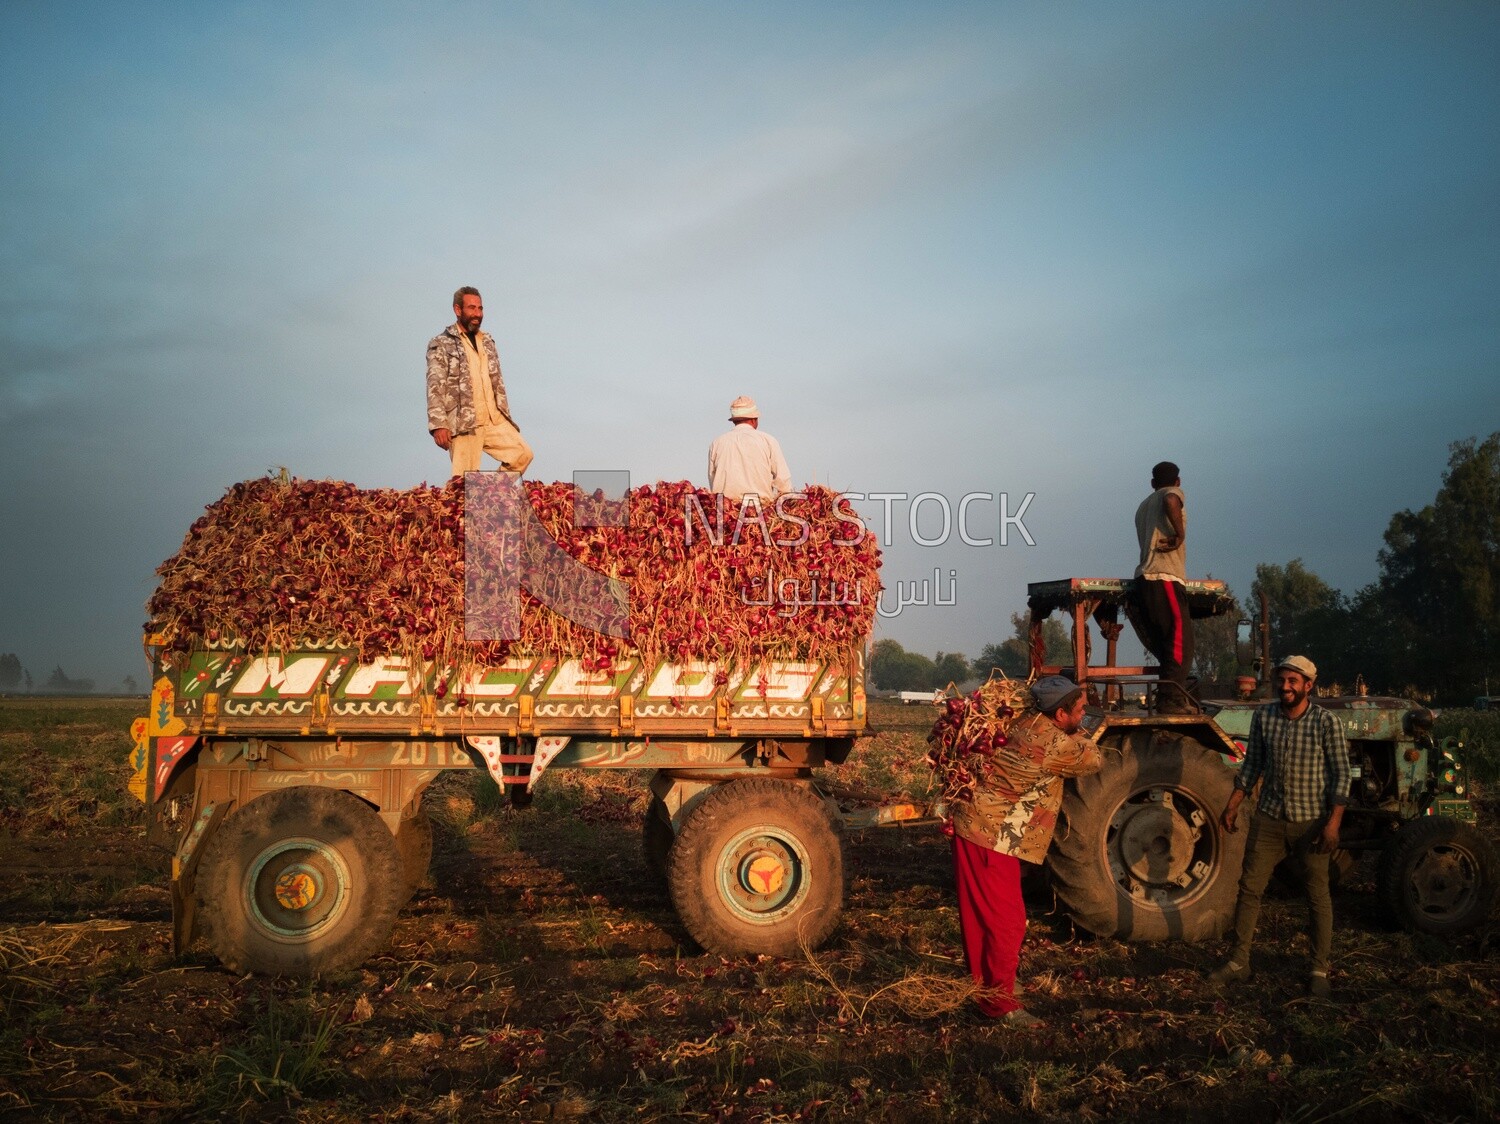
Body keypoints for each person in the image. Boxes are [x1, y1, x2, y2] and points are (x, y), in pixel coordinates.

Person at [949, 676, 1103, 1026]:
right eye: (1080, 711)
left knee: (979, 917)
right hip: (992, 835)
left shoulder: (1022, 720)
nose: (1084, 715)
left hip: (975, 825)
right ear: (1060, 713)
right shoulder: (1052, 743)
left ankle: (987, 987)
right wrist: (1082, 736)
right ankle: (1001, 1005)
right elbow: (1094, 761)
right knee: (1008, 923)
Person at [1209, 655, 1350, 999]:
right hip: (1270, 818)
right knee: (1250, 889)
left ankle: (1318, 967)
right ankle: (1239, 962)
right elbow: (1253, 762)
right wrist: (1233, 803)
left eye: (1293, 681)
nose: (1285, 687)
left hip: (1310, 822)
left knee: (1317, 894)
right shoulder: (1265, 716)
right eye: (1281, 680)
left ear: (1308, 686)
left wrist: (1332, 825)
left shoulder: (1325, 722)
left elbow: (1341, 775)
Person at [426, 286, 534, 477]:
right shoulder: (442, 343)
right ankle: (471, 502)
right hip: (464, 422)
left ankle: (490, 494)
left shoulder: (487, 341)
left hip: (494, 418)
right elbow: (435, 385)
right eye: (472, 308)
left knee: (523, 454)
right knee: (463, 484)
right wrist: (438, 424)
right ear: (458, 310)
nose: (477, 314)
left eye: (480, 308)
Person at [1133, 460, 1195, 713]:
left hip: (1145, 581)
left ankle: (1172, 697)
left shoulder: (1143, 506)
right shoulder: (1171, 494)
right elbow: (1171, 501)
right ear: (1178, 481)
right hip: (1164, 577)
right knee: (1182, 643)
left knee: (1167, 648)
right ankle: (1171, 701)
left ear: (1151, 483)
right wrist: (1180, 535)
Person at [707, 396, 791, 503]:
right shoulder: (768, 440)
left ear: (734, 421)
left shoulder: (717, 443)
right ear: (754, 419)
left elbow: (712, 478)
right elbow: (782, 480)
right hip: (760, 508)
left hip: (726, 509)